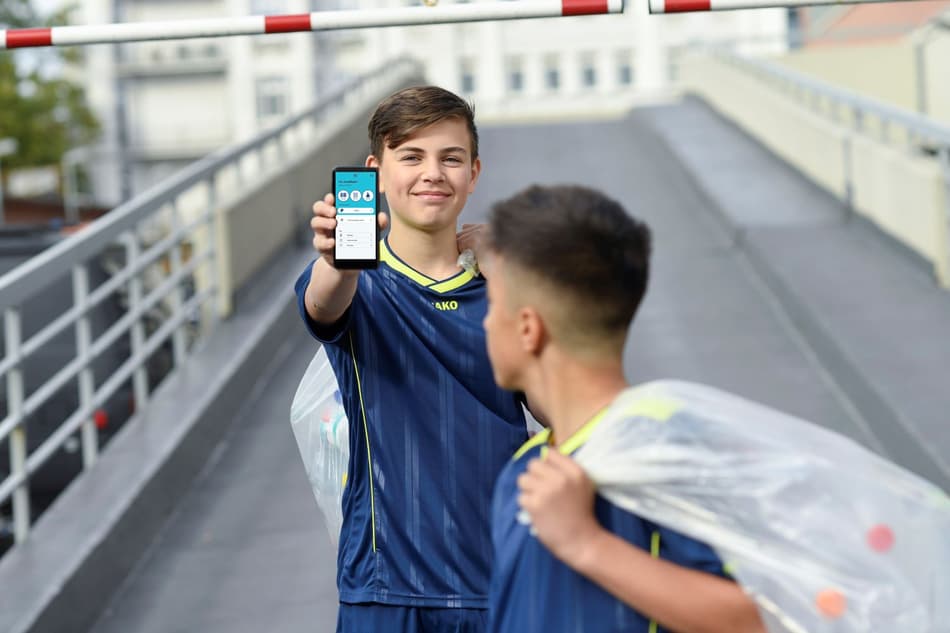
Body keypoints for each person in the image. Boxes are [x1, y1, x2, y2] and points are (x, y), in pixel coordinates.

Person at [294, 86, 529, 633]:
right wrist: (337, 259)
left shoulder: (505, 288)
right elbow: (323, 303)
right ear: (375, 171)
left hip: (502, 581)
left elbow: (563, 410)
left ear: (473, 172)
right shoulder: (354, 281)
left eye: (450, 158)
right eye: (412, 156)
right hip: (384, 589)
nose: (432, 173)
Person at [481, 184, 766, 633]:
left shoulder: (664, 453)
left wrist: (585, 543)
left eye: (492, 304)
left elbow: (752, 621)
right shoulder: (525, 468)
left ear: (528, 328)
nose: (484, 321)